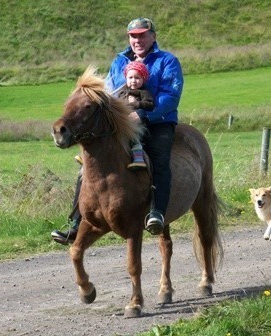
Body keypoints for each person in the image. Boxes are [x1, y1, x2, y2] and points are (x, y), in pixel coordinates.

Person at [51, 17, 184, 244]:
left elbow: (170, 97)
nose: (137, 40)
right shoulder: (119, 61)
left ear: (153, 36)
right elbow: (110, 94)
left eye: (142, 35)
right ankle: (75, 223)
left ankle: (157, 212)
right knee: (88, 167)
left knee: (159, 160)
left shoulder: (167, 61)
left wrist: (142, 115)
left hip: (157, 122)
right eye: (133, 36)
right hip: (123, 124)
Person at [118, 61, 154, 170]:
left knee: (135, 138)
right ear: (126, 78)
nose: (133, 81)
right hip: (124, 122)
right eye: (130, 77)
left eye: (137, 78)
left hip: (138, 123)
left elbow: (150, 105)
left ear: (143, 79)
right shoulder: (122, 92)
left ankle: (139, 159)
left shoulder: (143, 92)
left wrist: (136, 103)